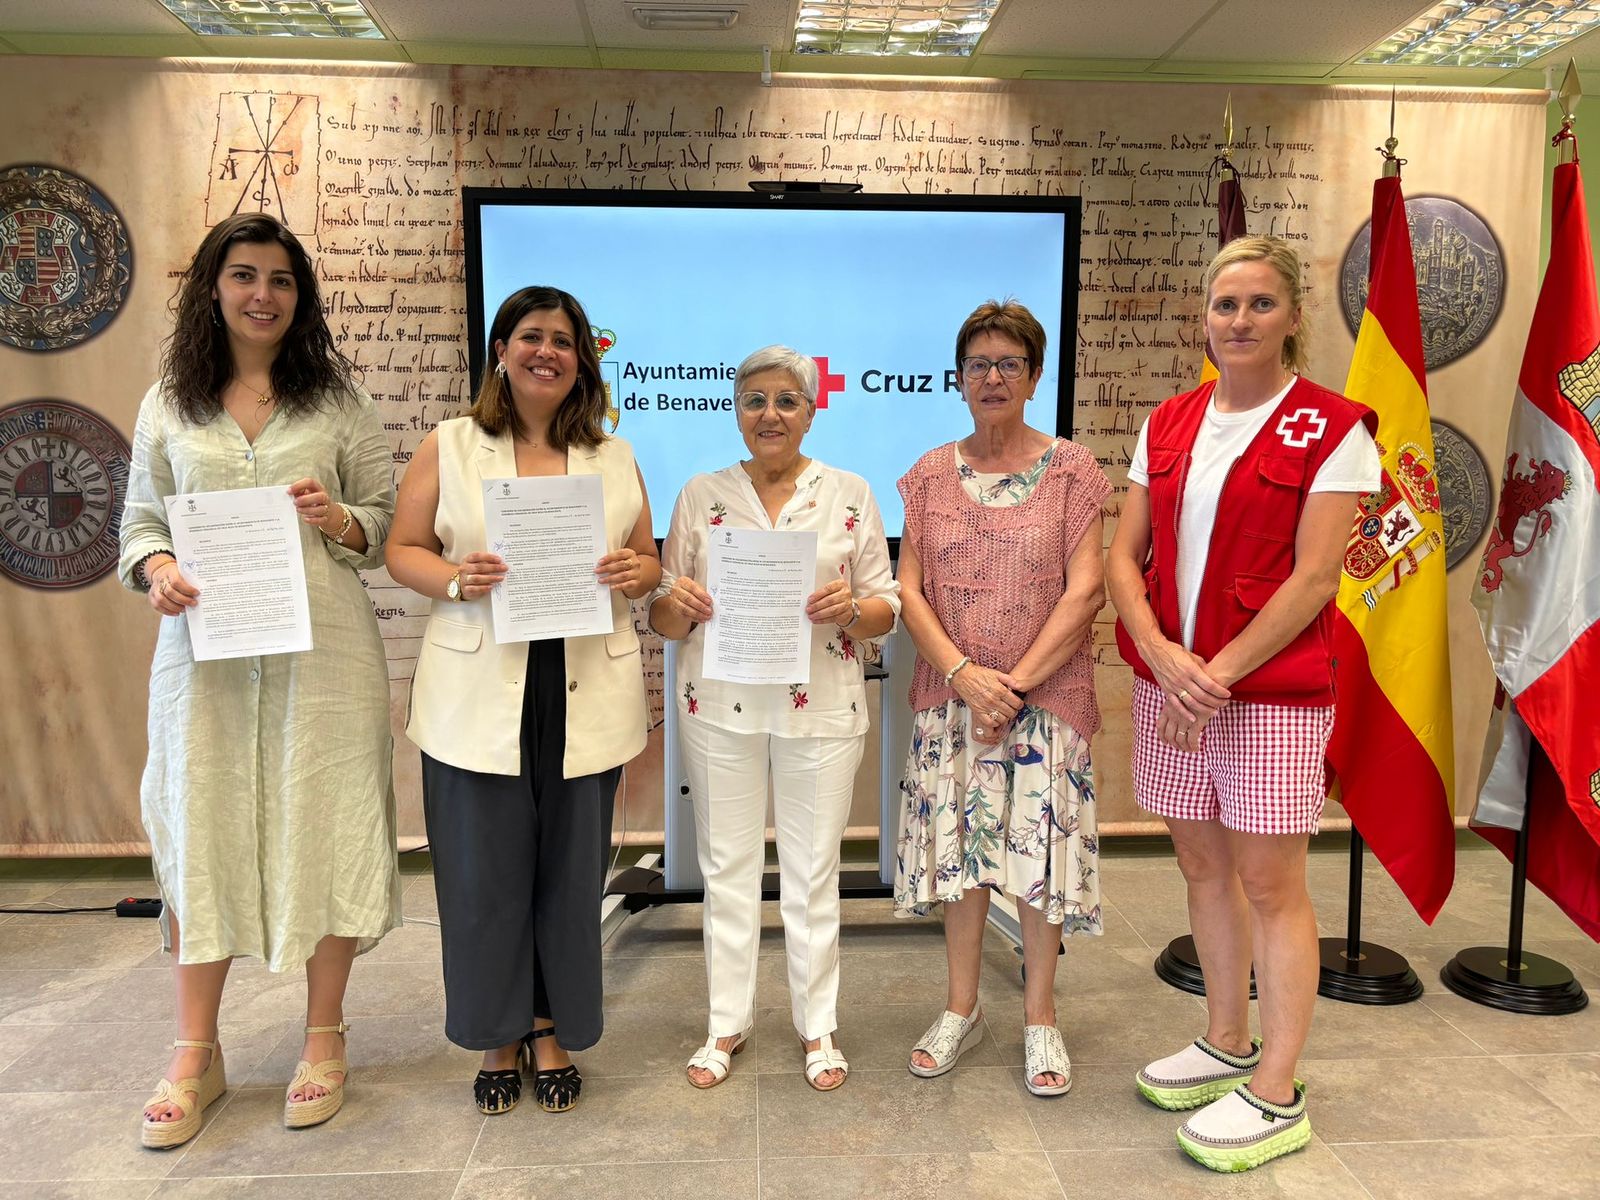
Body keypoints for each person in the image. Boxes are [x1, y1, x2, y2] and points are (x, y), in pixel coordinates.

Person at [119, 213, 400, 1148]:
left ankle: (324, 1039)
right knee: (201, 825)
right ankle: (194, 1053)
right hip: (203, 659)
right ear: (213, 287)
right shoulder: (168, 403)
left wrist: (336, 518)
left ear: (300, 296)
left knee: (327, 823)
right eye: (244, 276)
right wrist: (158, 567)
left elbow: (382, 526)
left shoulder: (339, 403)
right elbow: (139, 523)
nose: (262, 295)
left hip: (325, 656)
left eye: (281, 280)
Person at [1107, 235, 1380, 1171]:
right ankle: (1226, 1039)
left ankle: (1276, 1087)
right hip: (1172, 686)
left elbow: (1314, 580)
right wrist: (1161, 655)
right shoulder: (1168, 420)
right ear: (1205, 317)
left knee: (1270, 884)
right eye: (1225, 304)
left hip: (1267, 700)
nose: (1240, 320)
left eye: (1261, 303)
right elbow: (1123, 557)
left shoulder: (1333, 428)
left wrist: (1210, 676)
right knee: (1202, 867)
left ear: (1294, 317)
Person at [387, 285, 658, 1116]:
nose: (548, 352)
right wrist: (454, 579)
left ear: (583, 361)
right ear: (501, 351)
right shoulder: (450, 445)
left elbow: (647, 561)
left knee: (569, 878)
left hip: (584, 687)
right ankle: (496, 1034)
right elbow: (402, 549)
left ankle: (551, 1027)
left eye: (564, 341)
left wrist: (636, 572)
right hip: (476, 689)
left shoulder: (615, 455)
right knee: (484, 878)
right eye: (532, 336)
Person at [649, 346, 900, 1093]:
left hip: (820, 708)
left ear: (811, 412)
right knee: (725, 868)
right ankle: (725, 1021)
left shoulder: (849, 492)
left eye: (787, 400)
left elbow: (886, 607)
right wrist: (678, 604)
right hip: (717, 707)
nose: (770, 414)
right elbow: (663, 616)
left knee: (812, 873)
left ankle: (817, 1024)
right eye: (755, 400)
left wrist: (850, 610)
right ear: (736, 411)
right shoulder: (702, 493)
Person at [894, 299, 1109, 1098]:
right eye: (978, 364)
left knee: (1039, 859)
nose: (992, 377)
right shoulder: (926, 475)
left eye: (1008, 364)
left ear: (1034, 375)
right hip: (953, 700)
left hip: (1045, 702)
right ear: (958, 378)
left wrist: (1011, 686)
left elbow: (1086, 591)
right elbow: (910, 590)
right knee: (963, 858)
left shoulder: (1073, 472)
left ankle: (1040, 1015)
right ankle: (962, 1007)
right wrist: (963, 675)